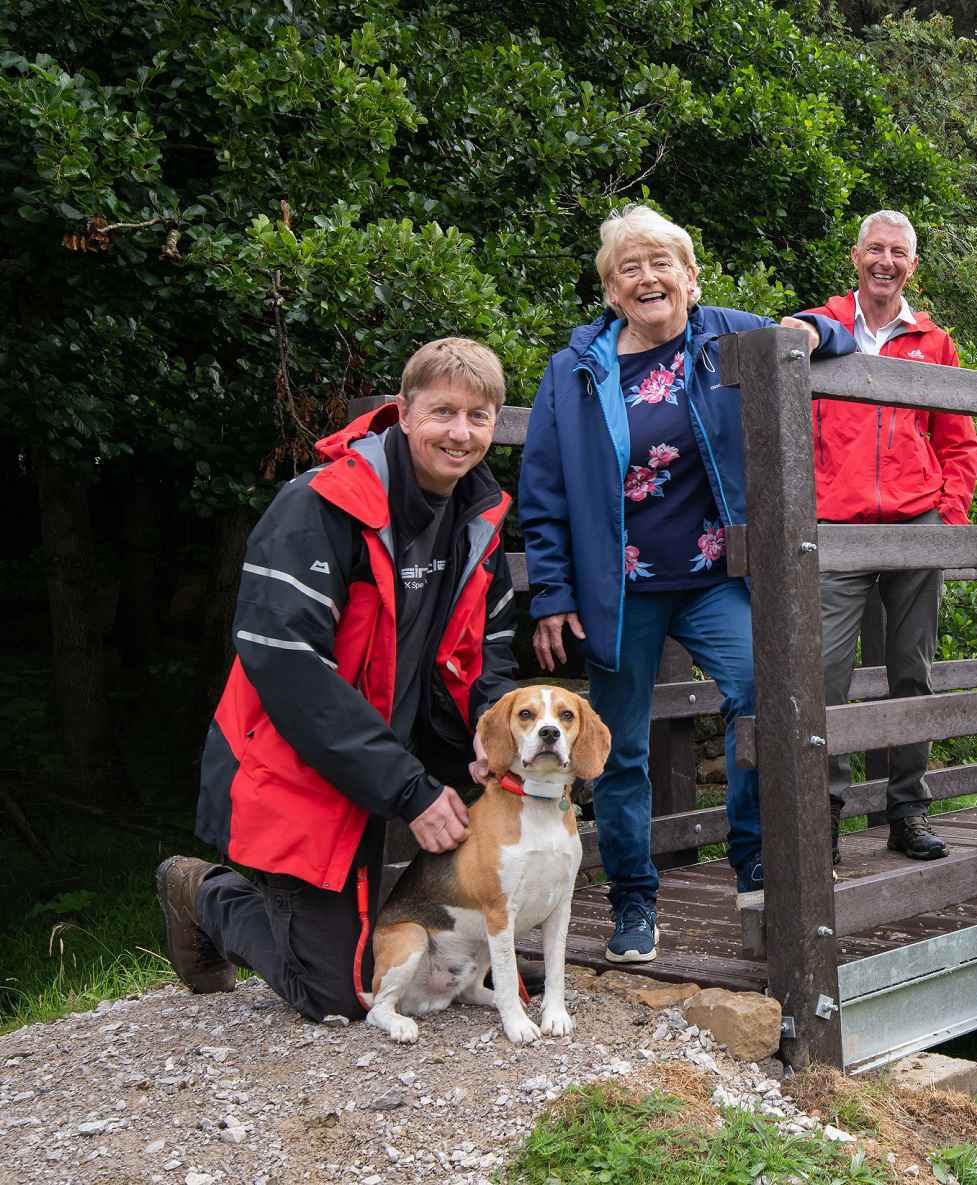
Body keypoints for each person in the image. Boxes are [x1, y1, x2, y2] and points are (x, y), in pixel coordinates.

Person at [520, 204, 853, 963]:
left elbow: (821, 334)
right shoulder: (577, 370)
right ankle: (634, 900)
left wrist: (814, 330)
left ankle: (756, 865)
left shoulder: (725, 338)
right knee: (618, 746)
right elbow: (541, 488)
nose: (648, 278)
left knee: (761, 696)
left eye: (662, 263)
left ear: (691, 277)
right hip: (619, 587)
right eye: (628, 268)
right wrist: (553, 591)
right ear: (610, 290)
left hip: (713, 576)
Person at [156, 337, 520, 1021]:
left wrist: (489, 729)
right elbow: (290, 671)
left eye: (478, 416)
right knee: (340, 994)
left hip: (389, 754)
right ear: (404, 413)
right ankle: (201, 891)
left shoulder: (480, 519)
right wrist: (409, 789)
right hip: (291, 760)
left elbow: (490, 654)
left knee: (395, 968)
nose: (460, 432)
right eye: (443, 411)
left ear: (494, 425)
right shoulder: (318, 506)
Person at [803, 210, 977, 863]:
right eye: (875, 248)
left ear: (913, 263)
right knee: (823, 673)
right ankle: (822, 813)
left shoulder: (934, 342)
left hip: (914, 525)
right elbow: (784, 427)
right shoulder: (815, 330)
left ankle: (907, 810)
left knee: (912, 671)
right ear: (855, 256)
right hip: (836, 527)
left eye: (898, 251)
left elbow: (958, 440)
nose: (885, 260)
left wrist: (948, 518)